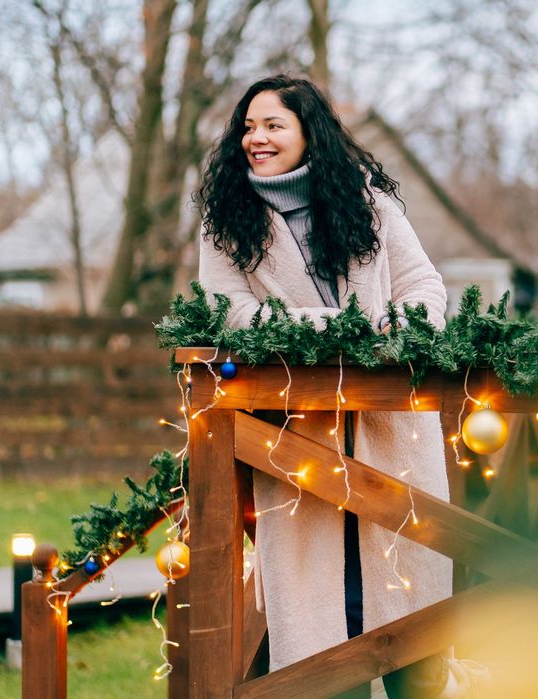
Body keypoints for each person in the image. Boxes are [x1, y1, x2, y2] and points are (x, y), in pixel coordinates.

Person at [196, 75, 452, 697]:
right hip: (295, 439)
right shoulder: (227, 219)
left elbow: (423, 286)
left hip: (389, 431)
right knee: (317, 626)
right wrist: (337, 326)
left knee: (406, 605)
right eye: (248, 127)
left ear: (310, 132)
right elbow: (227, 310)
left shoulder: (371, 205)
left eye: (273, 125)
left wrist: (405, 327)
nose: (256, 138)